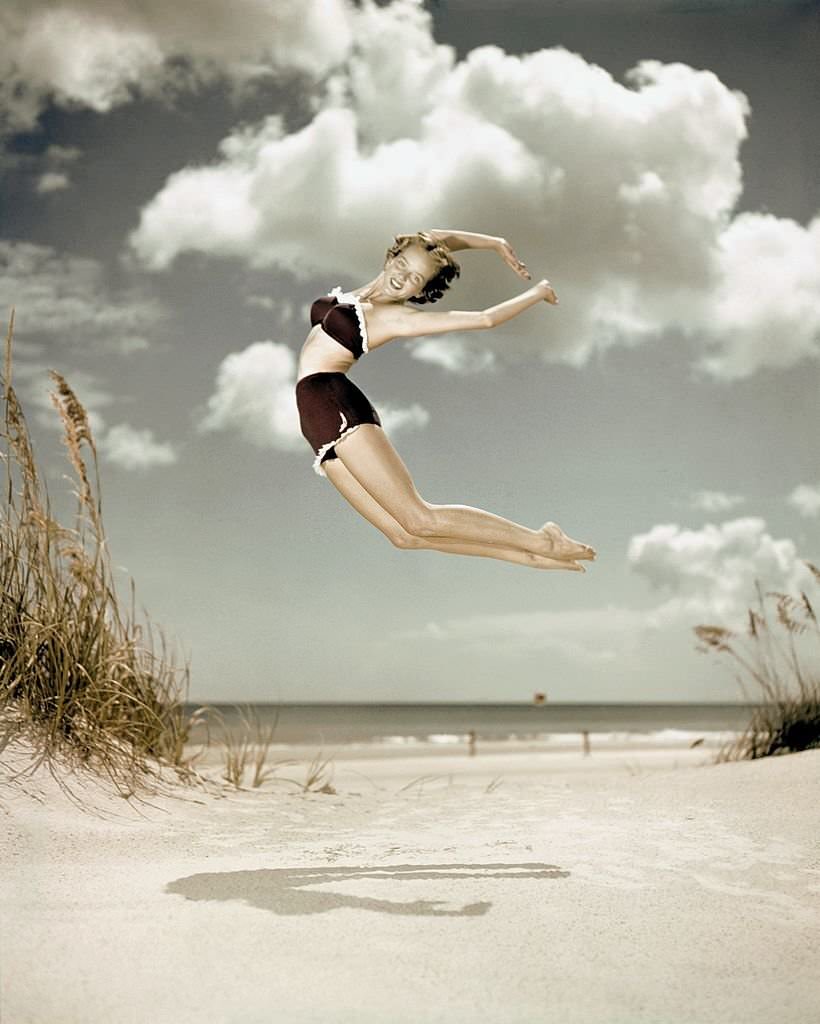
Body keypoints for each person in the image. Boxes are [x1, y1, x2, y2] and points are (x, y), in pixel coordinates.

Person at [295, 229, 597, 573]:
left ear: (421, 290)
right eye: (402, 265)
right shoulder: (361, 294)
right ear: (391, 256)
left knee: (420, 518)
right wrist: (494, 244)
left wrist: (537, 292)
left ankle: (540, 540)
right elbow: (438, 240)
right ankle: (529, 555)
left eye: (415, 279)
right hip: (314, 419)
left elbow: (485, 319)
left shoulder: (395, 317)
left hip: (334, 401)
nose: (402, 278)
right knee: (404, 536)